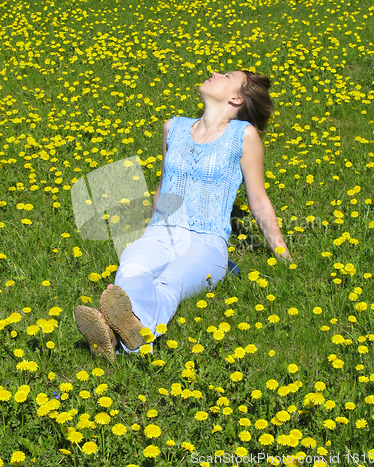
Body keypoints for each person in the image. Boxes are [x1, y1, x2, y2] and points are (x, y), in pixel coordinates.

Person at [74, 69, 293, 362]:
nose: (214, 73)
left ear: (235, 97)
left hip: (207, 242)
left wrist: (284, 257)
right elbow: (164, 188)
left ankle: (123, 338)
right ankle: (122, 334)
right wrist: (148, 233)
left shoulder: (244, 136)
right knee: (131, 266)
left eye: (226, 75)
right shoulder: (173, 128)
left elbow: (259, 202)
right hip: (161, 232)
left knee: (170, 283)